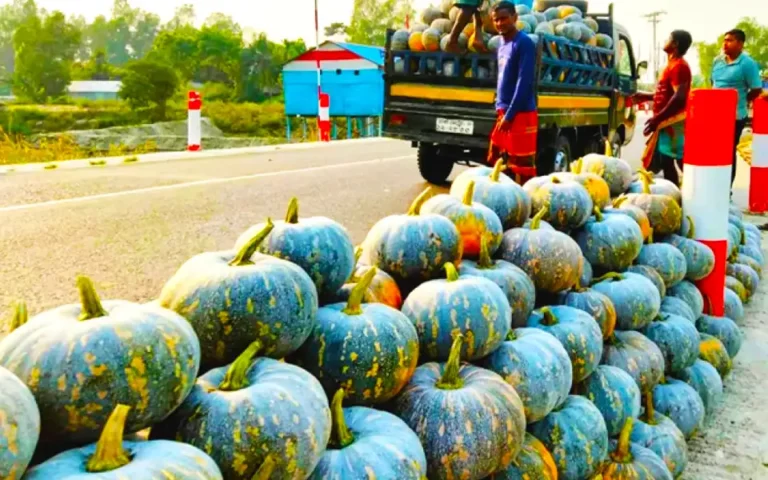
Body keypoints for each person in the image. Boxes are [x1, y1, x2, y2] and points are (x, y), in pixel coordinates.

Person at [486, 1, 538, 184]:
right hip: (504, 112)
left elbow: (524, 83)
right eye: (496, 20)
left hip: (520, 113)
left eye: (504, 19)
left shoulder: (524, 43)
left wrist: (510, 114)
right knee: (500, 162)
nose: (500, 23)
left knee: (521, 168)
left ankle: (523, 206)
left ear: (515, 18)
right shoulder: (501, 43)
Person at [637, 30, 693, 186]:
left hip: (673, 123)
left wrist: (657, 118)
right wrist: (647, 96)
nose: (665, 40)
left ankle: (696, 190)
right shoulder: (671, 65)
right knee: (668, 160)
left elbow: (679, 97)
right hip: (667, 122)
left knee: (679, 160)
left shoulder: (679, 66)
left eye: (668, 38)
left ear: (675, 44)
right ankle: (677, 191)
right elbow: (667, 94)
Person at [711, 28, 764, 189]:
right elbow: (714, 84)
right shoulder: (717, 61)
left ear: (740, 44)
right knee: (713, 152)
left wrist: (740, 100)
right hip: (714, 115)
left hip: (734, 116)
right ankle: (714, 186)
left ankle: (727, 190)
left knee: (727, 152)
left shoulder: (747, 64)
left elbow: (756, 89)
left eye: (730, 40)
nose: (725, 43)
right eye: (724, 40)